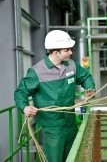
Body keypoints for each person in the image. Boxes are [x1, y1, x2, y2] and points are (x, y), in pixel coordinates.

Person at [14, 30, 95, 162]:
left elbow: (86, 76)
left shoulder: (72, 66)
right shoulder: (37, 72)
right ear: (55, 52)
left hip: (71, 122)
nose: (71, 52)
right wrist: (25, 107)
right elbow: (20, 92)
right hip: (52, 128)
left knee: (74, 157)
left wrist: (90, 89)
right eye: (67, 50)